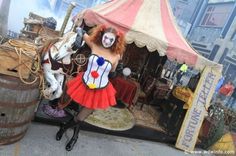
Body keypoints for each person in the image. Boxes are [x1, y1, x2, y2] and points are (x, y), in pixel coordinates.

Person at [55, 25, 126, 151]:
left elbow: (112, 74)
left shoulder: (116, 56)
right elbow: (80, 30)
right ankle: (73, 136)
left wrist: (117, 71)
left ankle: (65, 128)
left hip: (99, 90)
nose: (107, 41)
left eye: (111, 40)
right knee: (79, 115)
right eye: (106, 38)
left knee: (80, 117)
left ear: (116, 41)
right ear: (101, 35)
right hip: (84, 85)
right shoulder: (94, 44)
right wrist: (78, 34)